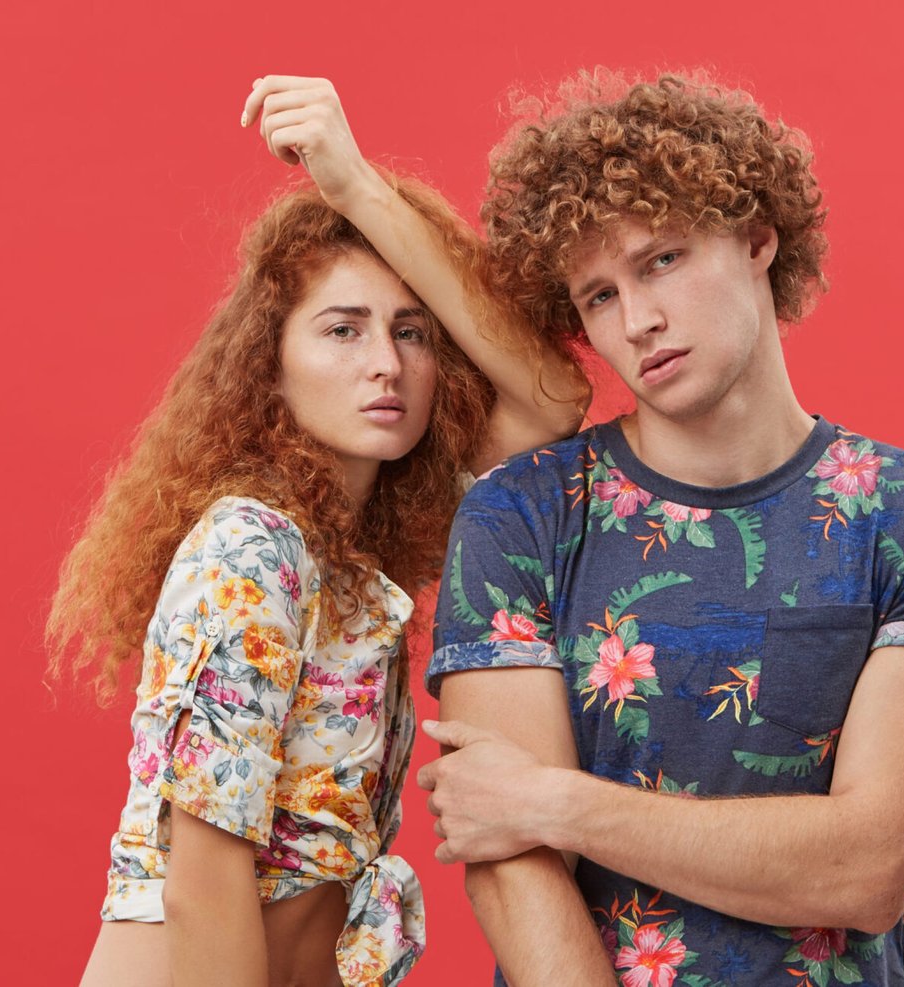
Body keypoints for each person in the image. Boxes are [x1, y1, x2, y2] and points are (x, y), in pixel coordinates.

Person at [417, 71, 904, 987]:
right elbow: (509, 860)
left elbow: (867, 867)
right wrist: (528, 817)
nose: (640, 320)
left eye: (662, 260)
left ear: (757, 238)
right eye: (598, 297)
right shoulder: (521, 513)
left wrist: (556, 803)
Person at [46, 76, 586, 987]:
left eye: (412, 333)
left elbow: (549, 401)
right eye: (343, 330)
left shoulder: (349, 556)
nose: (385, 363)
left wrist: (359, 189)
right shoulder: (252, 549)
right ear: (272, 364)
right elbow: (205, 873)